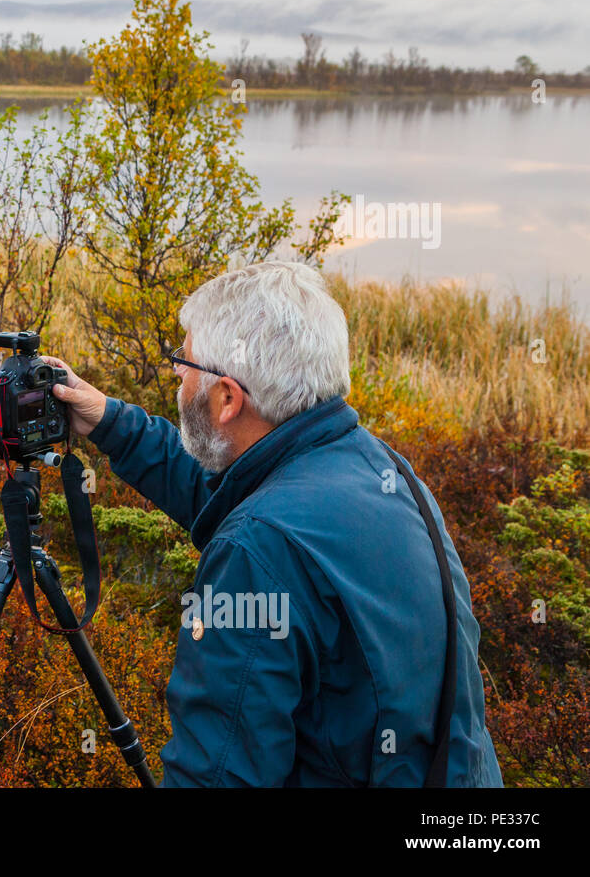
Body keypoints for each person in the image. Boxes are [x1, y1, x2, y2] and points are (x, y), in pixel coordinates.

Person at [43, 260, 503, 787]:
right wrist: (109, 419)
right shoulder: (383, 472)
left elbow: (215, 777)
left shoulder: (259, 547)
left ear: (228, 398)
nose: (177, 374)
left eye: (184, 361)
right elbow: (236, 498)